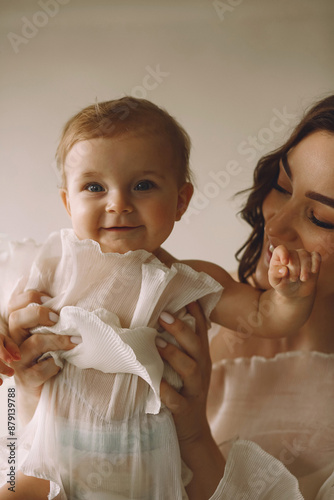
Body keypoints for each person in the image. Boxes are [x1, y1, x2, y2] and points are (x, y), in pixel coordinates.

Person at [0, 96, 322, 500]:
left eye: (143, 185)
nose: (118, 203)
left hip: (148, 469)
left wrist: (290, 293)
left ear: (181, 201)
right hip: (51, 461)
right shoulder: (52, 264)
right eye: (94, 187)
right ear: (68, 202)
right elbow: (12, 318)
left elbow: (265, 315)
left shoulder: (188, 280)